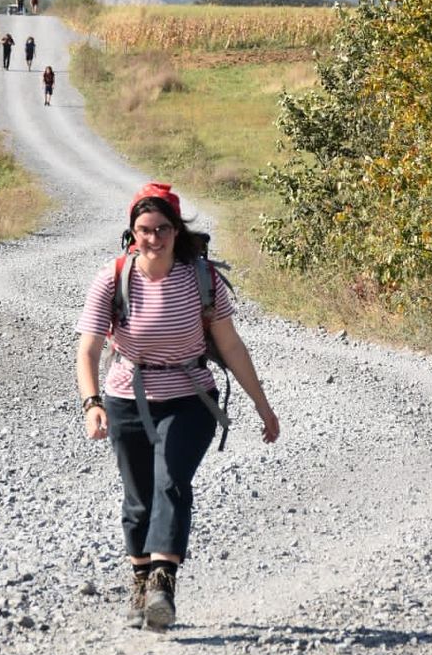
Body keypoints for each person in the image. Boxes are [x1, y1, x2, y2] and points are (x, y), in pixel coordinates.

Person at [75, 182, 279, 631]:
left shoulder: (201, 279)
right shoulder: (113, 278)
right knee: (138, 499)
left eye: (162, 229)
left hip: (191, 398)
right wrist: (92, 403)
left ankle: (162, 586)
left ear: (177, 231)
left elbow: (231, 346)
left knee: (171, 481)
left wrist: (263, 406)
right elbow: (88, 349)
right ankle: (141, 583)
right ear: (132, 233)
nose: (154, 238)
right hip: (126, 398)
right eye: (144, 230)